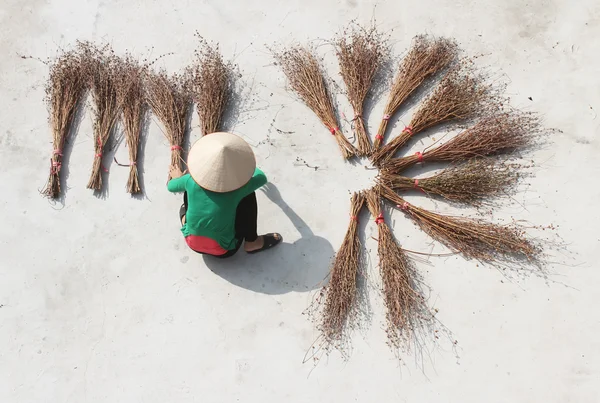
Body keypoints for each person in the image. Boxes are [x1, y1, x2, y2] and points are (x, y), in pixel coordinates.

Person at [167, 132, 281, 258]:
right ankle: (252, 242)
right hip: (225, 250)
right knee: (248, 196)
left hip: (192, 244)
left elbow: (171, 186)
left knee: (189, 193)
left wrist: (179, 178)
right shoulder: (239, 189)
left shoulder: (190, 180)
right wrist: (245, 167)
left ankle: (186, 221)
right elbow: (262, 177)